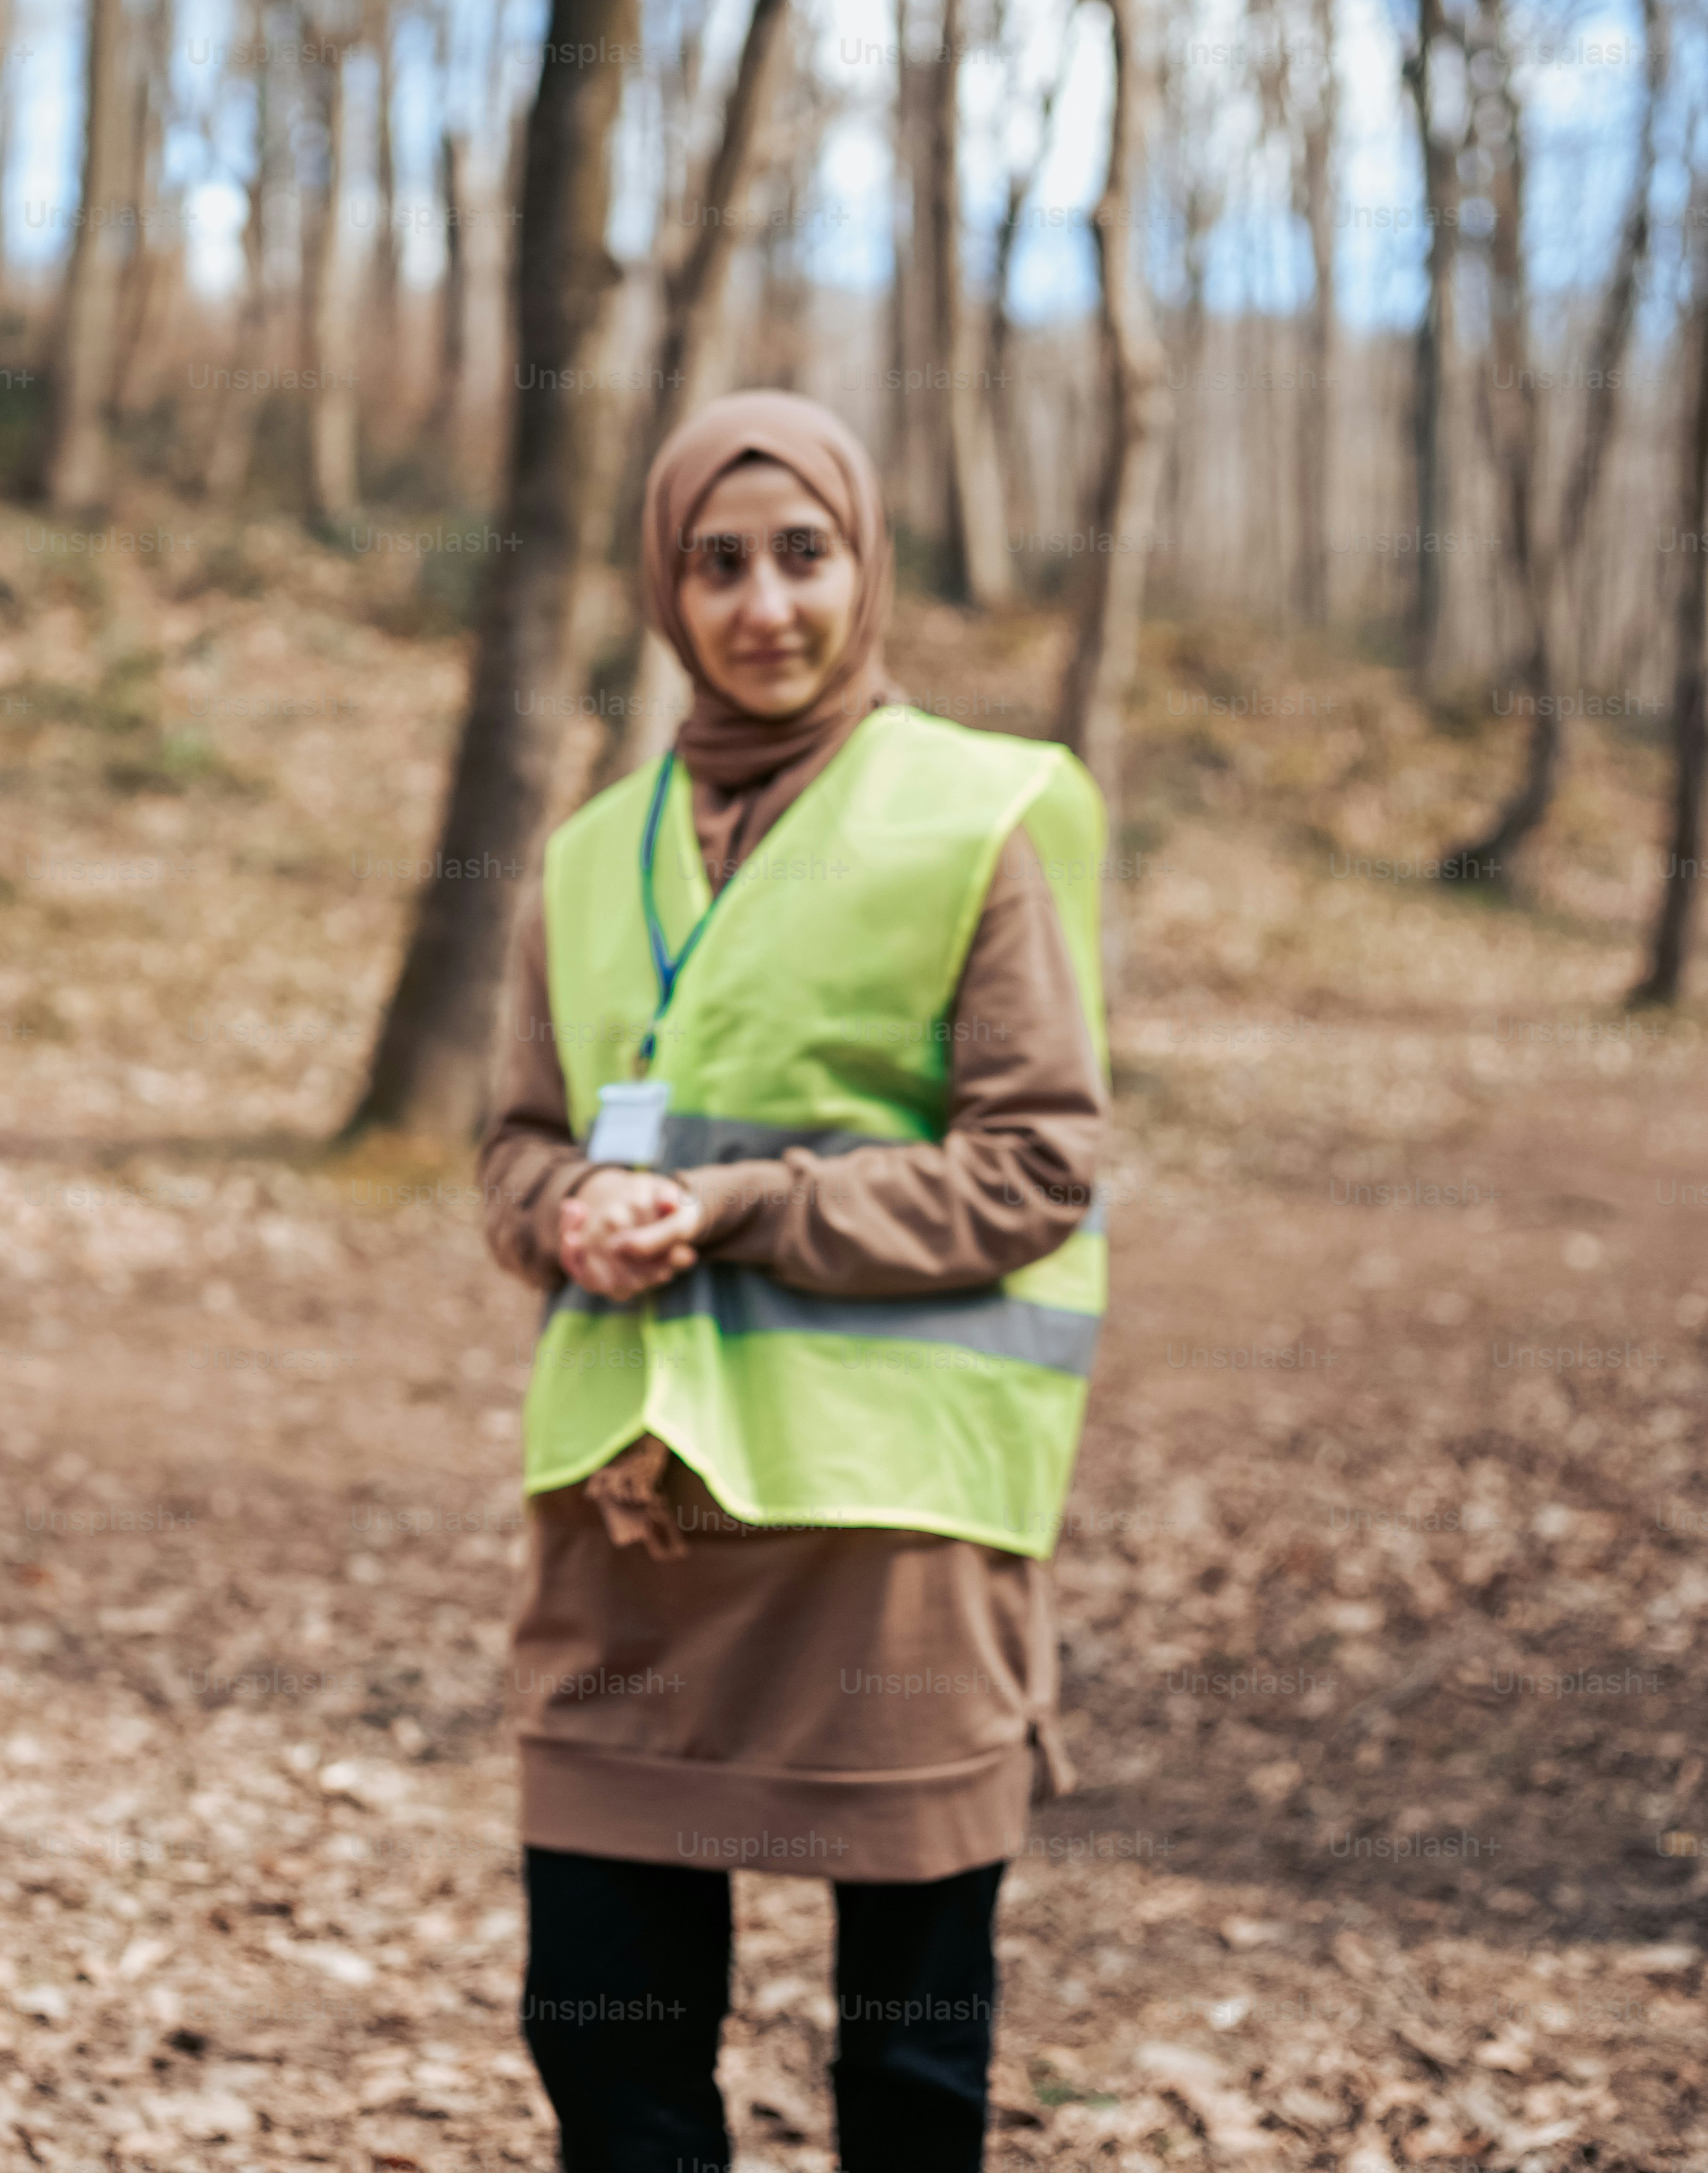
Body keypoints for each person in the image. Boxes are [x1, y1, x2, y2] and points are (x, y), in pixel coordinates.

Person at [479, 391, 1109, 2173]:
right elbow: (511, 1144)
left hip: (889, 1525)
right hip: (631, 1521)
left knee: (909, 2071)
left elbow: (1037, 1164)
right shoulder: (590, 851)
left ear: (866, 568)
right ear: (666, 591)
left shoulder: (987, 812)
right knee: (602, 2038)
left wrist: (743, 1205)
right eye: (718, 563)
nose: (765, 606)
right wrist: (566, 1210)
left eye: (804, 558)